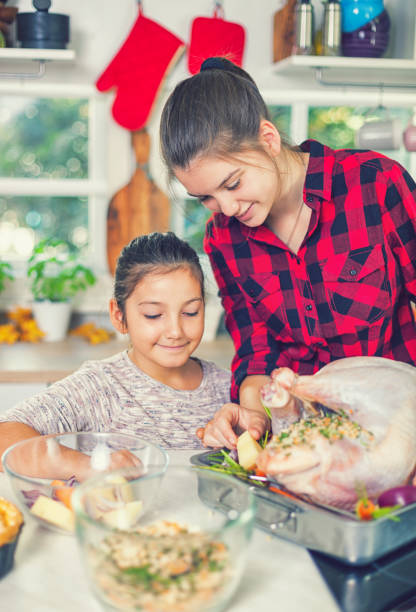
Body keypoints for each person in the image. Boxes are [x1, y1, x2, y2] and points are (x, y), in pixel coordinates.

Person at [160, 56, 416, 450]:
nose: (226, 208)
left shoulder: (375, 184)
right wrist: (251, 417)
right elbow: (257, 354)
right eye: (206, 198)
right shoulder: (224, 240)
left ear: (268, 138)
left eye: (233, 183)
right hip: (303, 444)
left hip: (400, 431)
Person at [0, 232, 231, 478]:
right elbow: (6, 435)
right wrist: (87, 466)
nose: (175, 331)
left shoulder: (225, 386)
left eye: (191, 312)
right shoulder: (100, 386)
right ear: (119, 316)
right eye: (153, 314)